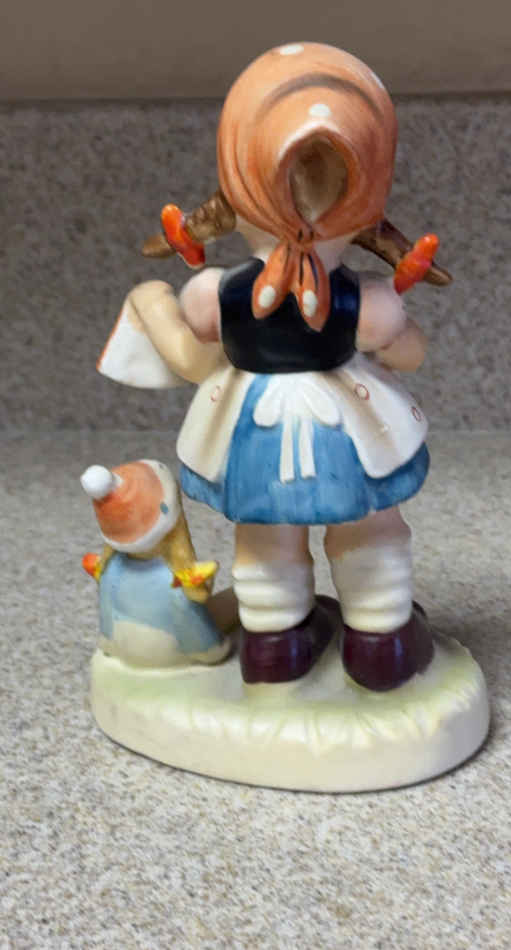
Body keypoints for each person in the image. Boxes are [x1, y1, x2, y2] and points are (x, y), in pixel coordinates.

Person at [100, 42, 451, 690]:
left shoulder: (212, 294)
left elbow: (196, 335)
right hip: (347, 429)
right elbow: (407, 349)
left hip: (251, 428)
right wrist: (398, 332)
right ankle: (379, 640)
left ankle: (273, 642)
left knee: (265, 536)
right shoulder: (368, 304)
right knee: (368, 528)